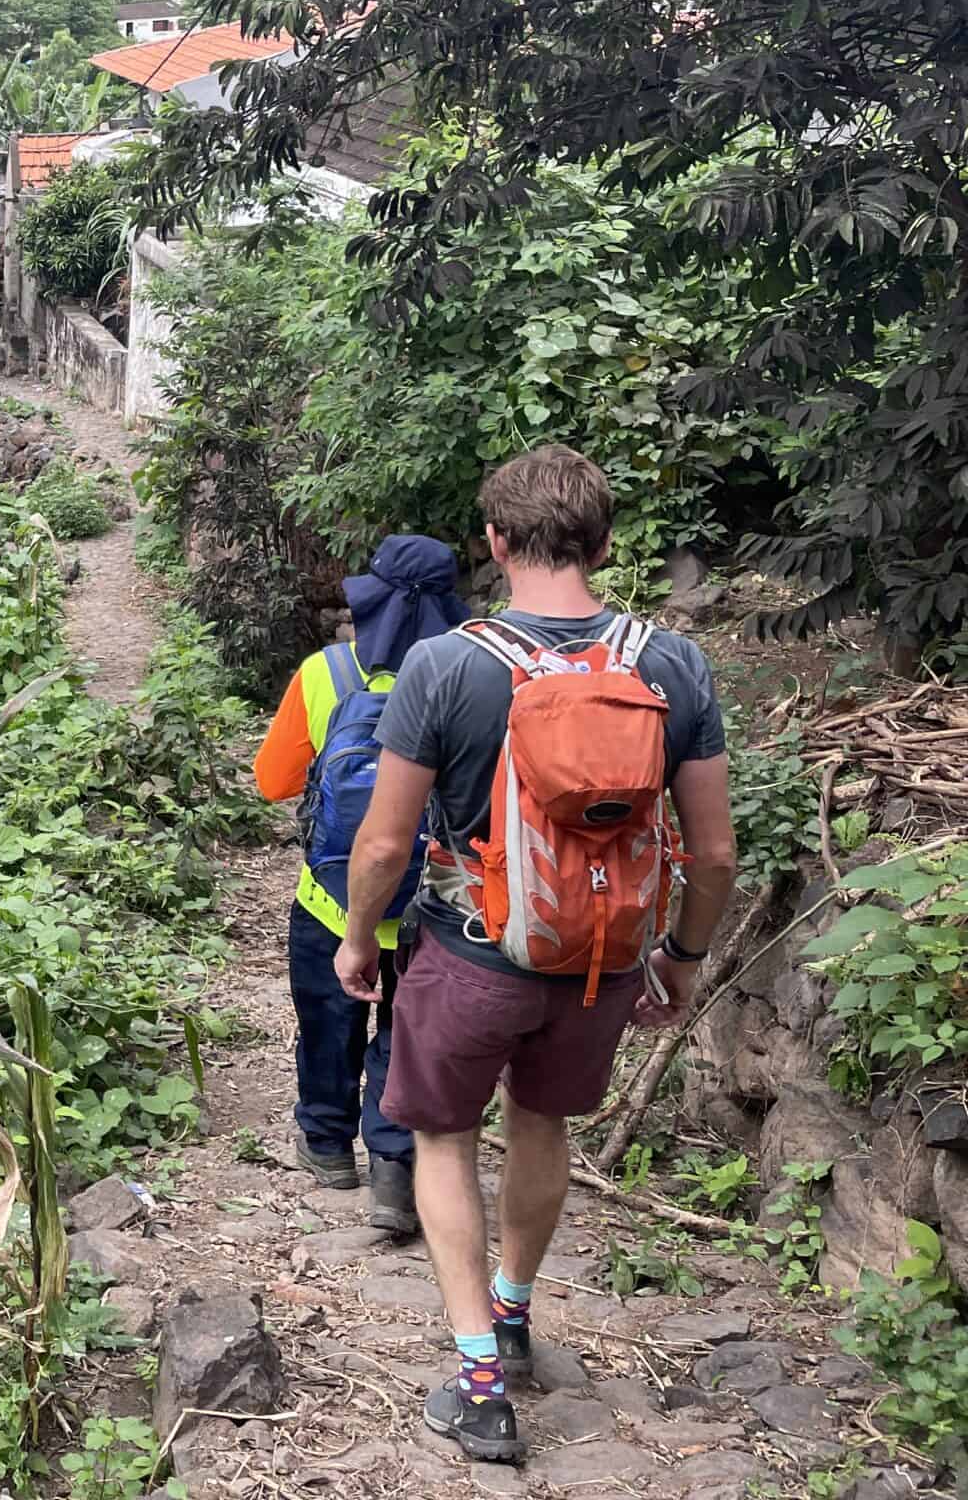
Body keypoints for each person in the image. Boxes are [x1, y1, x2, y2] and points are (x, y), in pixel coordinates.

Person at [337, 447, 737, 1466]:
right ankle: (513, 1315)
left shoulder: (447, 664)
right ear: (603, 544)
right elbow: (716, 848)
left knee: (439, 1139)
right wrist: (683, 956)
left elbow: (383, 841)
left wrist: (355, 938)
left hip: (474, 951)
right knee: (542, 1121)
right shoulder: (670, 663)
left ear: (494, 543)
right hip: (599, 957)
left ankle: (478, 1383)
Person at [252, 534, 467, 1232]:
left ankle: (325, 1146)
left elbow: (271, 781)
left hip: (330, 901)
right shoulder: (474, 678)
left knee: (327, 1023)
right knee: (405, 1032)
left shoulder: (325, 674)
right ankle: (393, 1169)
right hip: (435, 905)